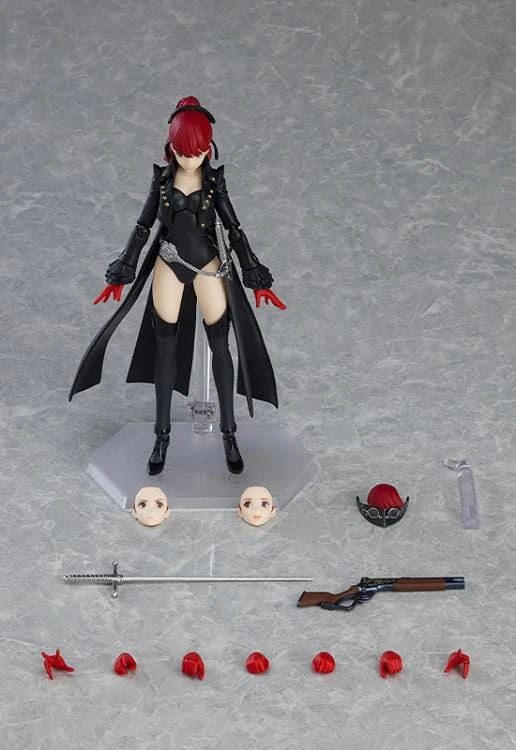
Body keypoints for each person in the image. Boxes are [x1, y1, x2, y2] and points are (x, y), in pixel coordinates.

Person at [70, 96, 285, 476]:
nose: (190, 159)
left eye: (198, 152)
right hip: (168, 263)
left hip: (208, 267)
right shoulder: (162, 181)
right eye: (184, 152)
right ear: (171, 148)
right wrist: (122, 272)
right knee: (164, 348)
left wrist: (255, 277)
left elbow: (234, 229)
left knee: (221, 347)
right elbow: (143, 227)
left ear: (209, 147)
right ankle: (162, 436)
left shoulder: (214, 182)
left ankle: (229, 433)